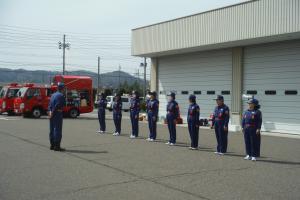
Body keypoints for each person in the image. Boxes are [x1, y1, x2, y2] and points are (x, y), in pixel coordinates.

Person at [48, 82, 66, 151]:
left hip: (51, 114)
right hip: (57, 113)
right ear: (62, 88)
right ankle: (57, 146)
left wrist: (50, 113)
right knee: (57, 130)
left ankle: (52, 145)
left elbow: (49, 105)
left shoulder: (53, 95)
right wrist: (53, 112)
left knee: (52, 129)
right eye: (64, 88)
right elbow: (58, 105)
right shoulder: (61, 96)